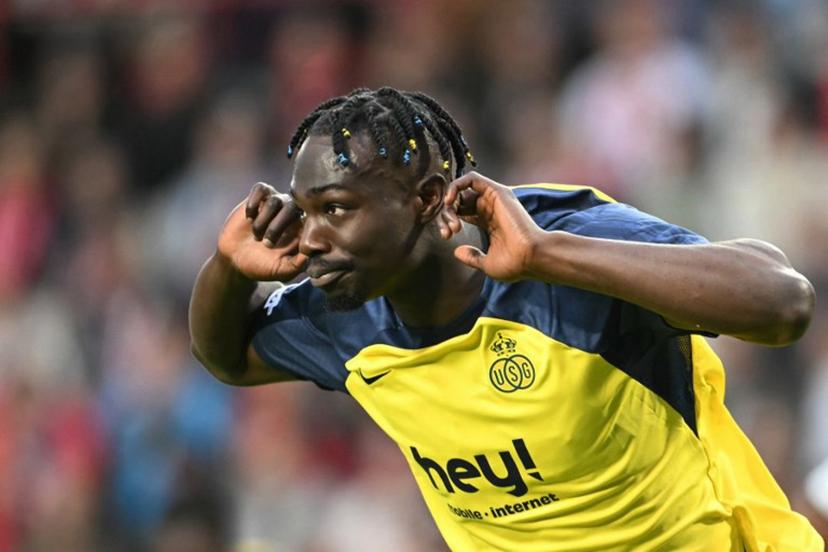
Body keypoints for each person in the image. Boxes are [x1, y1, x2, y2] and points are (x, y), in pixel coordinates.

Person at [189, 87, 823, 550]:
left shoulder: (565, 240)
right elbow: (226, 356)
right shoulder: (345, 318)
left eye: (336, 207)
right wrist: (229, 267)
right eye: (305, 210)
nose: (313, 237)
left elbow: (783, 302)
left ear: (427, 199)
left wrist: (549, 256)